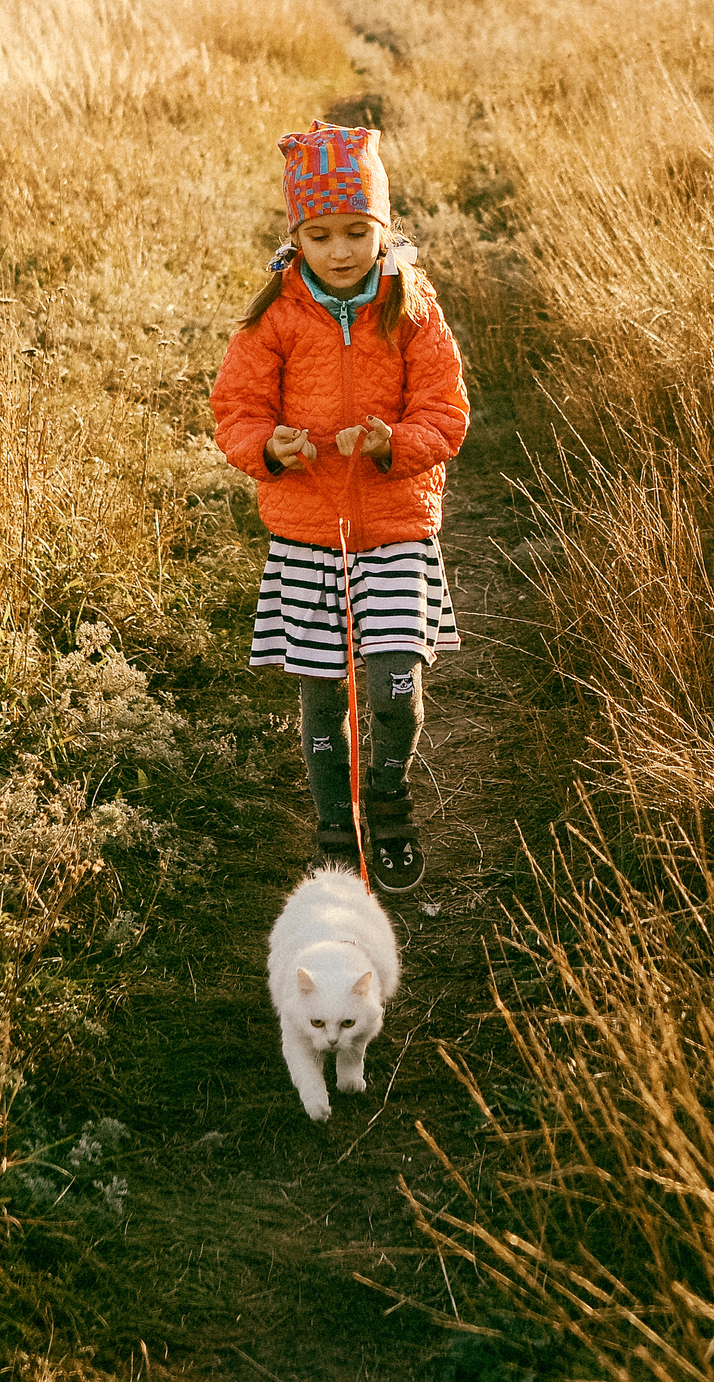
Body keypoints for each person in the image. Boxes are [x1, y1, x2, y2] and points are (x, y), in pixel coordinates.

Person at [211, 120, 469, 891]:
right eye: (321, 234)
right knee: (322, 691)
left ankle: (386, 796)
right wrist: (268, 447)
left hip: (393, 531)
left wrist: (395, 442)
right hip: (308, 534)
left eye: (357, 230)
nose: (342, 250)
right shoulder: (275, 319)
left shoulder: (413, 308)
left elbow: (447, 412)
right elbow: (236, 409)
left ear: (382, 228)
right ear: (298, 237)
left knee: (395, 685)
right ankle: (334, 822)